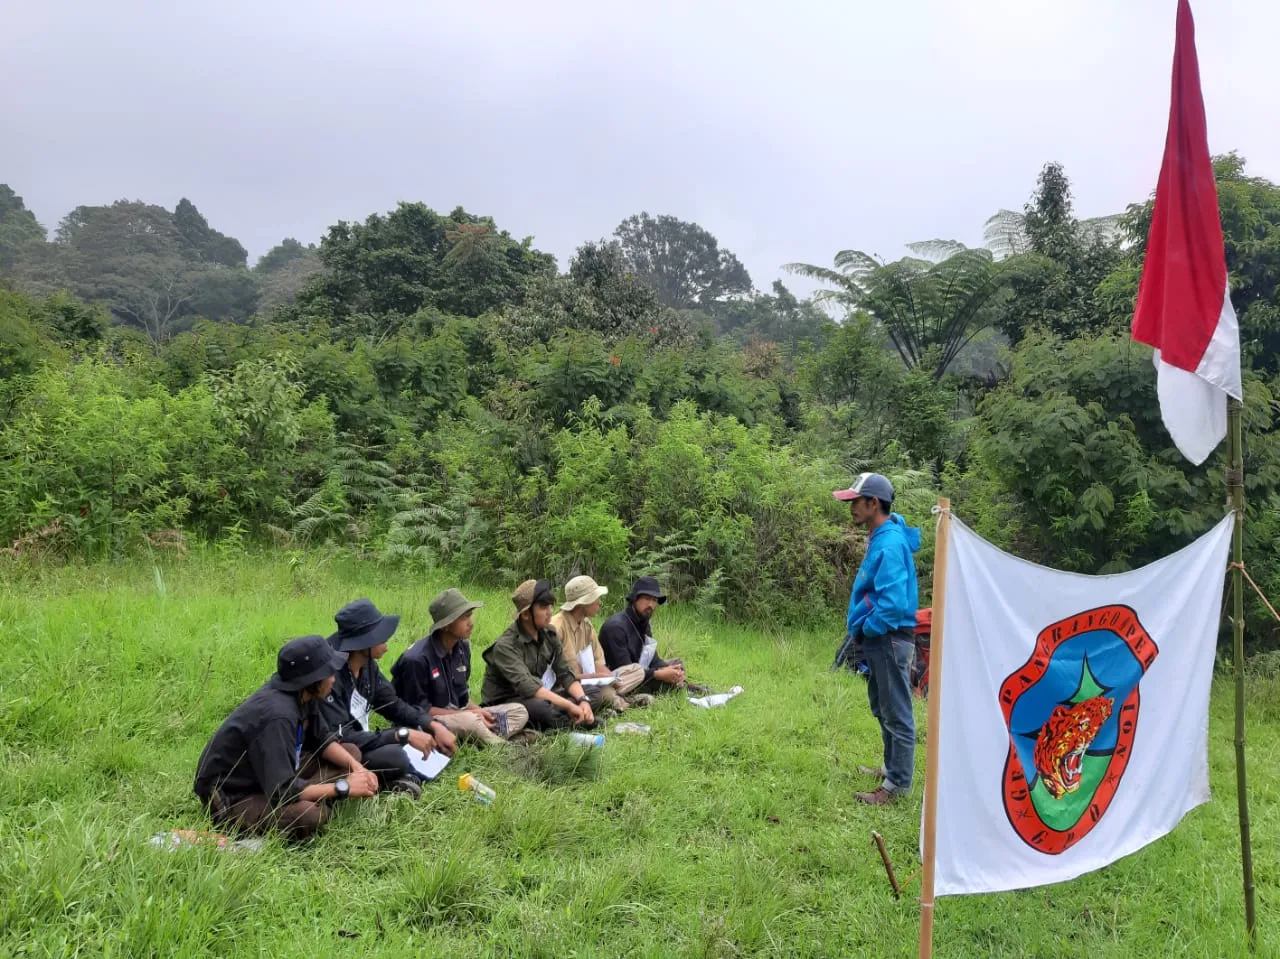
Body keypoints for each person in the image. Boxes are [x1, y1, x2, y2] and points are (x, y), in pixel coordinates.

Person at [194, 634, 379, 840]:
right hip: (236, 796)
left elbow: (322, 739)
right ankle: (306, 803)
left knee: (351, 753)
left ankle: (310, 796)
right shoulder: (278, 716)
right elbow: (281, 790)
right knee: (309, 816)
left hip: (271, 776)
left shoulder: (304, 695)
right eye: (329, 673)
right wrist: (343, 788)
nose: (333, 678)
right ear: (313, 680)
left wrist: (358, 769)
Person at [833, 472, 922, 806]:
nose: (851, 508)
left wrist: (868, 628)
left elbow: (893, 602)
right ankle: (890, 768)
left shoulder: (890, 542)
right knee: (882, 706)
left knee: (897, 710)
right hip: (877, 638)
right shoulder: (880, 536)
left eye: (856, 502)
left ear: (874, 503)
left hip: (888, 638)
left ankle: (897, 785)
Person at [320, 598, 460, 799]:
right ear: (362, 644)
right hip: (342, 748)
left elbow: (393, 704)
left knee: (416, 737)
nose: (387, 642)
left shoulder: (369, 667)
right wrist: (400, 734)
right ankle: (387, 779)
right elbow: (342, 736)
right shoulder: (332, 679)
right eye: (381, 637)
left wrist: (431, 725)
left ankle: (397, 778)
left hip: (364, 740)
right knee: (395, 756)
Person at [391, 588, 532, 746]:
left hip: (460, 715)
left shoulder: (462, 648)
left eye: (470, 616)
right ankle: (502, 747)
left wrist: (479, 711)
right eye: (464, 618)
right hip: (427, 722)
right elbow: (419, 710)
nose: (470, 623)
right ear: (446, 625)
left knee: (519, 711)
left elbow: (462, 697)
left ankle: (476, 737)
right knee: (471, 721)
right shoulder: (416, 659)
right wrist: (469, 715)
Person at [480, 579, 597, 732]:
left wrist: (583, 701)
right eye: (543, 607)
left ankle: (570, 716)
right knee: (541, 708)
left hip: (539, 693)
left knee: (593, 692)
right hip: (509, 702)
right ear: (526, 614)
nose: (549, 611)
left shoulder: (550, 634)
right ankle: (572, 725)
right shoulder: (505, 646)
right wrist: (569, 705)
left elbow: (565, 674)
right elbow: (529, 687)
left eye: (550, 605)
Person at [549, 575, 649, 712]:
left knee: (637, 671)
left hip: (593, 681)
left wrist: (611, 678)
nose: (599, 603)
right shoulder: (556, 627)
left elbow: (598, 662)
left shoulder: (587, 625)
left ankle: (615, 697)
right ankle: (618, 700)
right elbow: (557, 677)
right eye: (596, 598)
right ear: (583, 603)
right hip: (568, 686)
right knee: (603, 693)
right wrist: (594, 677)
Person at [599, 576, 688, 694]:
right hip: (621, 680)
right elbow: (626, 672)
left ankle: (686, 685)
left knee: (677, 664)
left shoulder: (644, 623)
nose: (651, 604)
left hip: (642, 671)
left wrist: (672, 671)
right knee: (660, 679)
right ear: (635, 599)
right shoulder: (615, 627)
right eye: (646, 598)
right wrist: (658, 674)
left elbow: (653, 659)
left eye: (655, 600)